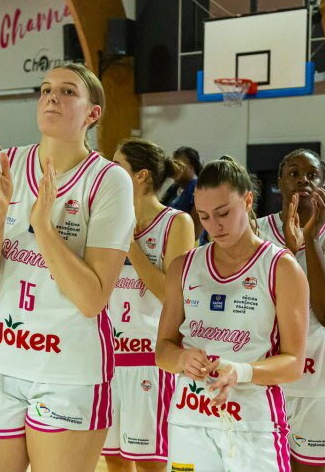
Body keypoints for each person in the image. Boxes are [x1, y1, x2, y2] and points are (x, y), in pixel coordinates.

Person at [0, 63, 135, 471]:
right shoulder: (5, 166)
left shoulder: (109, 181)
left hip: (68, 370)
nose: (52, 96)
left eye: (68, 91)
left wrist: (42, 227)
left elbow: (92, 299)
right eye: (46, 88)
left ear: (93, 113)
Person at [155, 156, 309, 472]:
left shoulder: (281, 268)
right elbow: (163, 350)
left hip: (252, 424)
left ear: (248, 200)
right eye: (204, 217)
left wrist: (241, 370)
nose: (214, 226)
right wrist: (182, 359)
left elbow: (294, 363)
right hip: (190, 421)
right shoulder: (183, 267)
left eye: (223, 213)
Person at [257, 149, 325, 471]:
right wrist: (288, 251)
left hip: (318, 383)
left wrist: (310, 239)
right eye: (293, 173)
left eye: (313, 174)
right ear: (279, 183)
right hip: (265, 379)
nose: (304, 179)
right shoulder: (256, 233)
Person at [101, 139, 196, 471]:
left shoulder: (176, 223)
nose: (107, 171)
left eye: (117, 165)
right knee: (114, 460)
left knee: (151, 464)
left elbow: (173, 298)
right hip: (108, 358)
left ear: (141, 175)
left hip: (150, 361)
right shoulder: (104, 219)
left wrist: (130, 246)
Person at [161, 146, 204, 238]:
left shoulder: (199, 188)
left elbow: (195, 232)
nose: (174, 169)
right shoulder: (173, 188)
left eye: (178, 165)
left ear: (191, 166)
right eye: (173, 165)